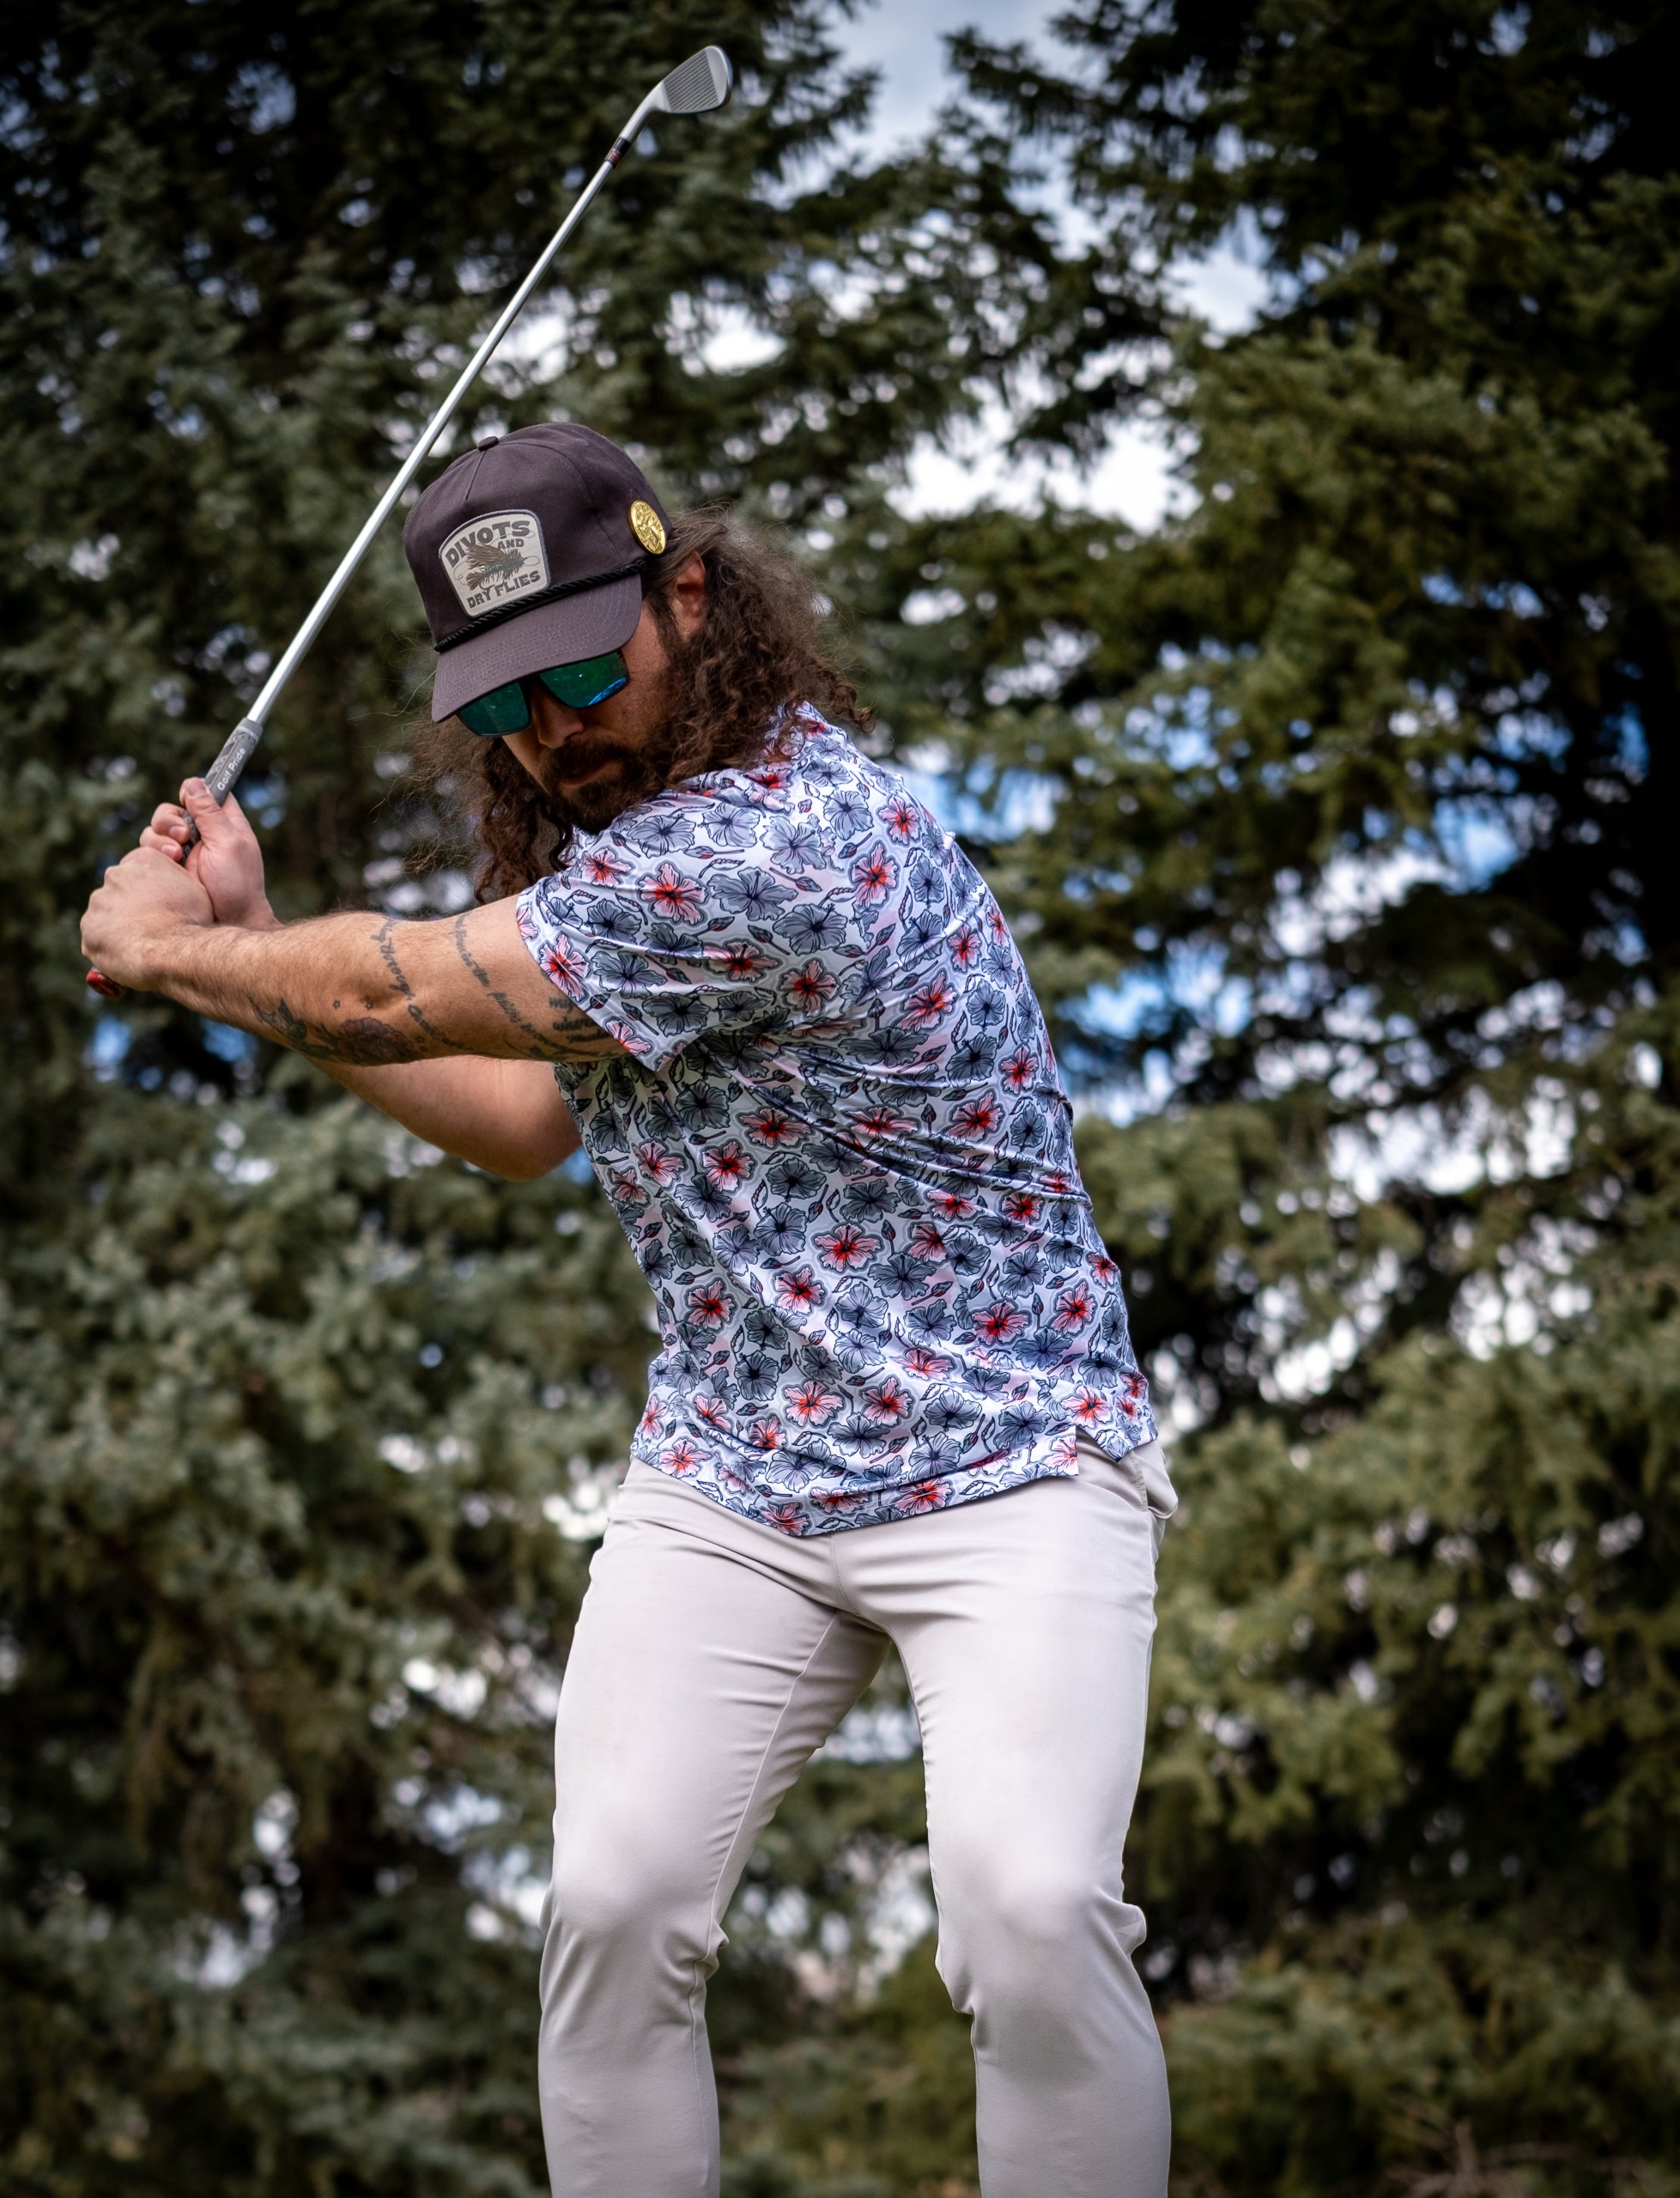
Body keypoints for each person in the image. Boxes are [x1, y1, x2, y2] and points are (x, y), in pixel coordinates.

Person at [82, 421, 1178, 2198]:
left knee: (1034, 1913)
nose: (550, 728)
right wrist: (256, 925)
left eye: (585, 670)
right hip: (734, 1476)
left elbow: (401, 987)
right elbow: (517, 1113)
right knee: (606, 1904)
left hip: (1008, 1463)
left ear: (690, 598)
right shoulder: (610, 843)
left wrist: (180, 951)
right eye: (507, 698)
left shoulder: (782, 842)